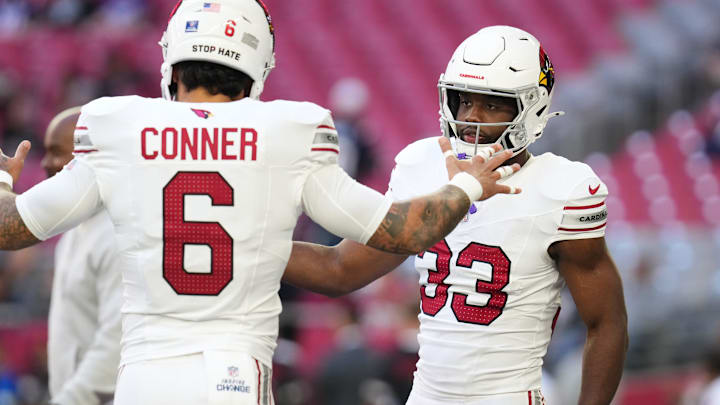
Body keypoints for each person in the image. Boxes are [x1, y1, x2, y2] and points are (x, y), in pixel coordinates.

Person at [0, 2, 520, 404]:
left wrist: (4, 185)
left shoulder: (114, 125)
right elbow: (403, 232)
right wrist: (467, 185)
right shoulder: (291, 131)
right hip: (235, 374)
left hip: (144, 377)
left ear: (173, 58)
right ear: (257, 65)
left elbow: (13, 229)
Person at [283, 25, 629, 405]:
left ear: (532, 108)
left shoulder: (562, 188)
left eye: (492, 104)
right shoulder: (423, 165)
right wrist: (249, 244)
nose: (471, 117)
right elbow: (341, 268)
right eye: (464, 101)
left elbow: (607, 324)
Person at [42, 107, 122, 405]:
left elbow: (116, 342)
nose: (45, 163)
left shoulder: (117, 233)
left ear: (91, 156)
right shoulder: (78, 226)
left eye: (57, 152)